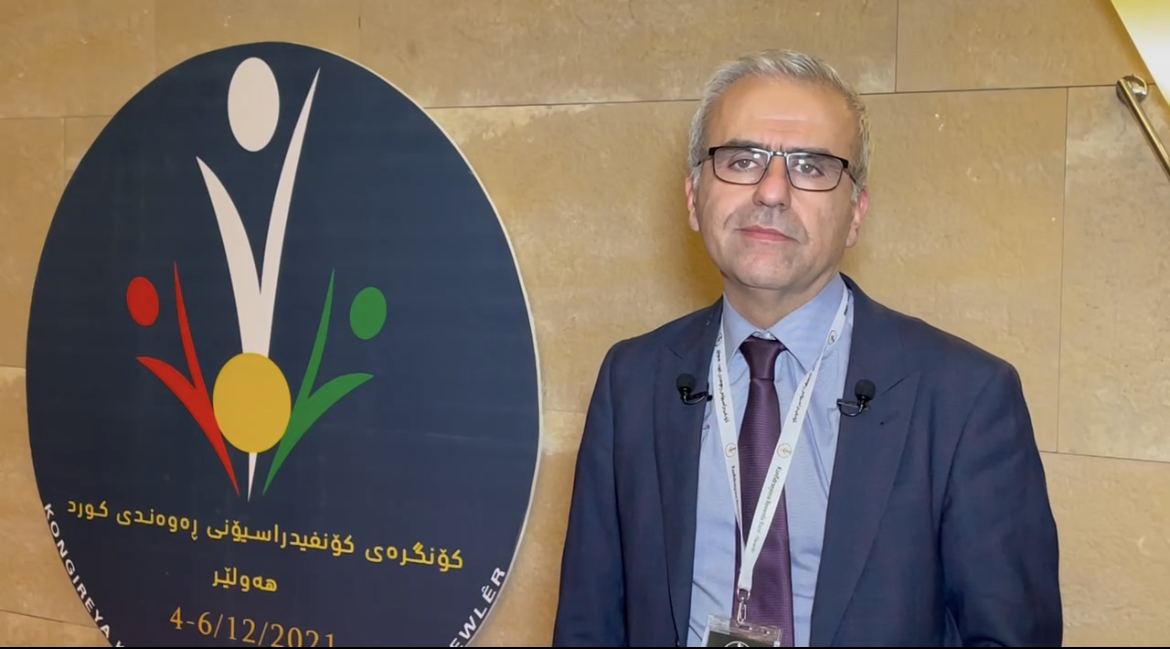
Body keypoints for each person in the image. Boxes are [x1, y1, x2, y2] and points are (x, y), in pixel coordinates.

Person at [551, 49, 1062, 648]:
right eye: (742, 160)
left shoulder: (966, 398)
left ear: (856, 214)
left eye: (812, 167)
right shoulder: (631, 380)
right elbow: (588, 625)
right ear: (693, 197)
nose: (772, 192)